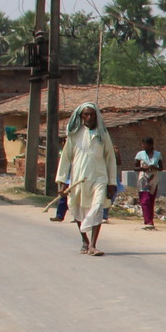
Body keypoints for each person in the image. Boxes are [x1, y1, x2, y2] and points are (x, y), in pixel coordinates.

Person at [55, 102, 118, 256]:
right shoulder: (74, 135)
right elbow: (66, 158)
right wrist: (62, 182)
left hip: (99, 177)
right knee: (76, 208)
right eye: (86, 114)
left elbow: (110, 158)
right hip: (79, 179)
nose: (89, 117)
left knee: (97, 208)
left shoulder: (103, 135)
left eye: (92, 114)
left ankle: (93, 245)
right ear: (81, 116)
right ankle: (85, 240)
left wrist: (112, 182)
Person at [133, 137, 161, 230]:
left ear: (151, 145)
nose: (143, 146)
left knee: (151, 199)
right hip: (143, 179)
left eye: (145, 144)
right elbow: (135, 168)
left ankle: (150, 220)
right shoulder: (140, 154)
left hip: (153, 179)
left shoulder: (157, 155)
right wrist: (143, 168)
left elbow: (161, 168)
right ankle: (148, 221)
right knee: (145, 199)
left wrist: (154, 167)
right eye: (142, 144)